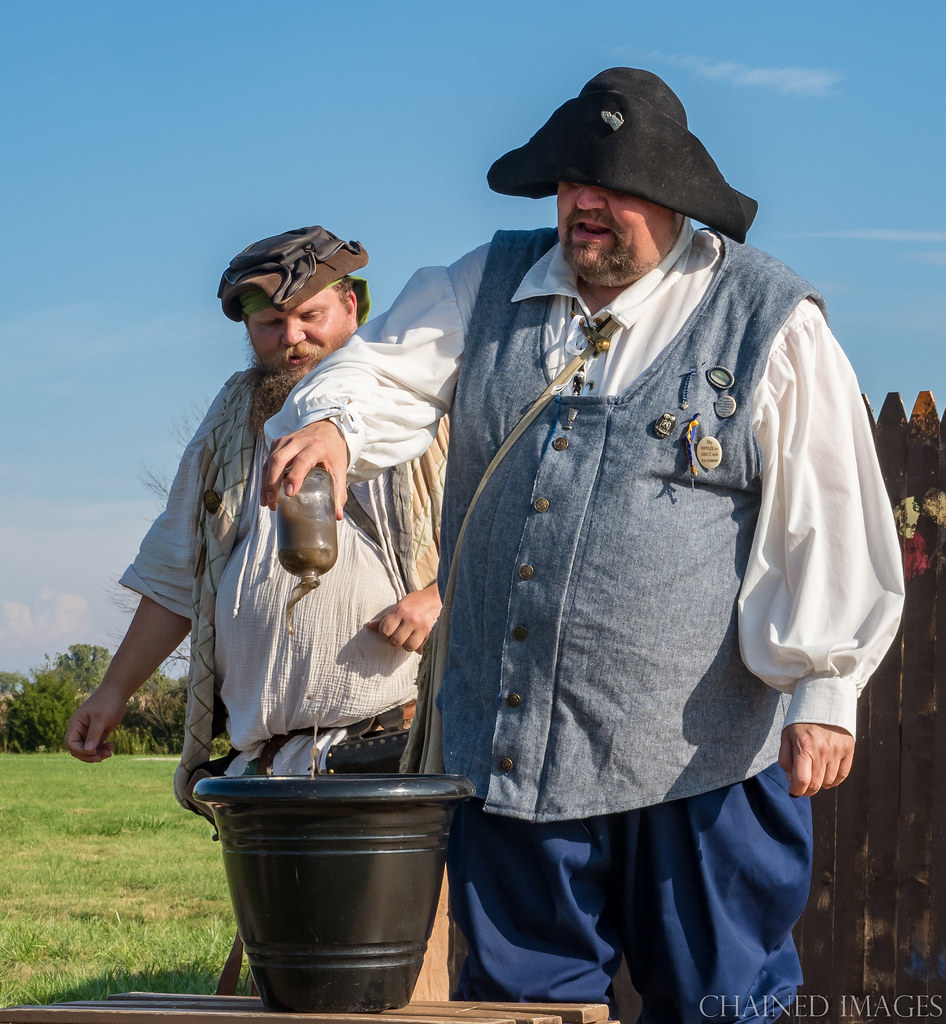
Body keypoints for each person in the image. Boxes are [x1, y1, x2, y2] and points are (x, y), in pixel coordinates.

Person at [260, 71, 905, 1022]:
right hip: (512, 757)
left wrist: (826, 688)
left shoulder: (768, 318)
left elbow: (831, 514)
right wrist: (332, 426)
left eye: (612, 187)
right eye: (570, 183)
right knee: (518, 1012)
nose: (584, 207)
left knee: (722, 1008)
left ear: (676, 200)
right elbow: (377, 376)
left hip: (706, 773)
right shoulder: (485, 285)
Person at [66, 226, 445, 807]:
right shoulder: (229, 419)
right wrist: (114, 690)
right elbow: (175, 569)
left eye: (309, 316)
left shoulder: (419, 403)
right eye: (270, 324)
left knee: (412, 904)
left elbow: (513, 531)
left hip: (399, 745)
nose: (292, 338)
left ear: (351, 305)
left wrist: (441, 595)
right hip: (266, 766)